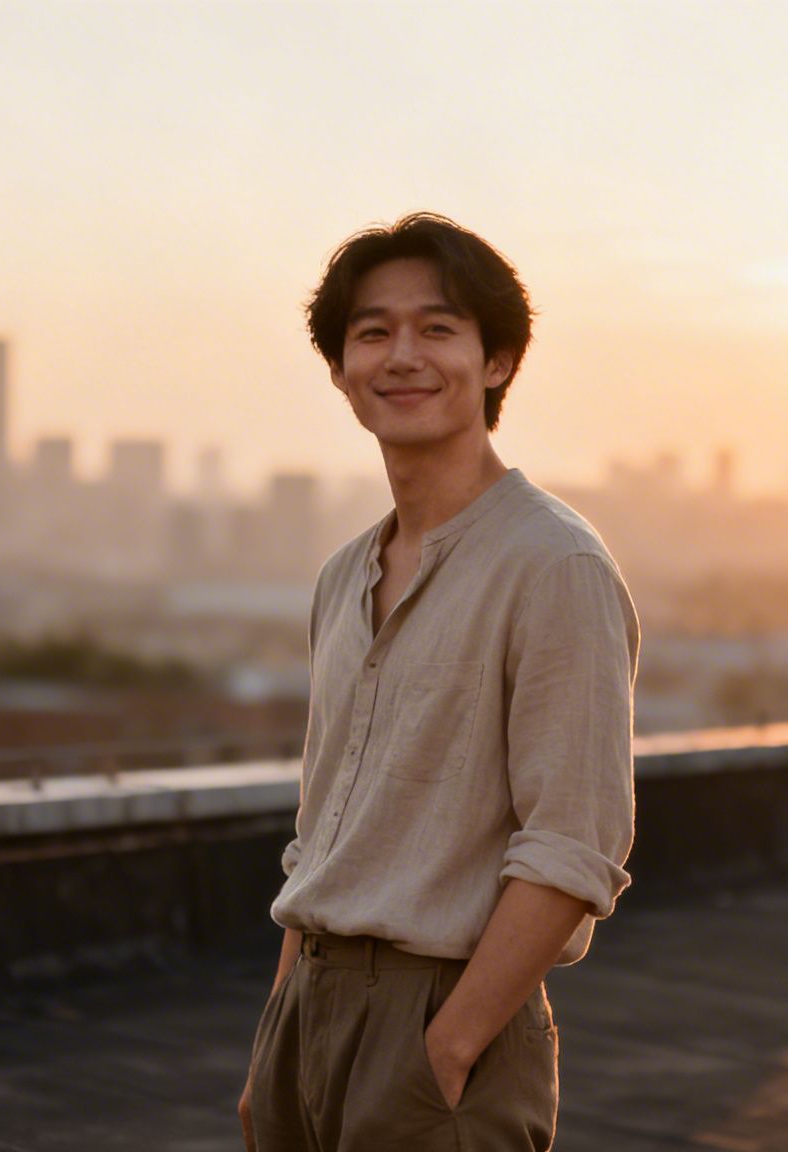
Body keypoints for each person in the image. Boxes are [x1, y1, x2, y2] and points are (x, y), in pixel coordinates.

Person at [239, 213, 639, 1151]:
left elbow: (575, 843)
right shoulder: (345, 574)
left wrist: (447, 1049)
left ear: (497, 362)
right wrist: (274, 1041)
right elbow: (323, 827)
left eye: (438, 329)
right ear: (341, 371)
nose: (402, 355)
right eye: (372, 332)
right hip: (307, 1005)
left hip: (440, 1015)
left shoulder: (554, 565)